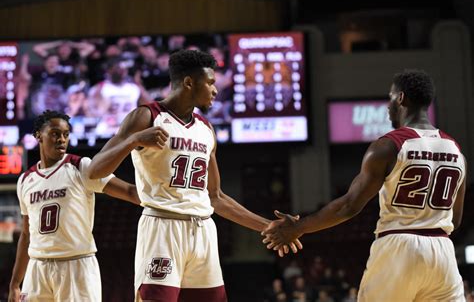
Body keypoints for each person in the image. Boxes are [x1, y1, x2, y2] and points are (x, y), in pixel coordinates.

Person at [87, 49, 302, 301]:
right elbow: (94, 171)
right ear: (189, 82)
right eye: (210, 82)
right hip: (162, 227)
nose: (215, 89)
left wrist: (267, 226)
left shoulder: (205, 129)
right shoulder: (147, 116)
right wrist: (134, 140)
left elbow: (217, 197)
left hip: (203, 232)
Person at [262, 69, 467, 301]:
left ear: (400, 98)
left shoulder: (388, 146)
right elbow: (455, 220)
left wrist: (299, 227)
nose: (388, 105)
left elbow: (349, 206)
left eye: (390, 97)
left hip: (398, 246)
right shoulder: (456, 150)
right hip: (443, 251)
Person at [8, 110, 140, 302]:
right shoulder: (25, 180)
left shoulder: (80, 167)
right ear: (38, 136)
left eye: (66, 134)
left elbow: (129, 191)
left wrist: (165, 197)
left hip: (76, 264)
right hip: (37, 268)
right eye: (55, 133)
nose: (62, 139)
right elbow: (26, 235)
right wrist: (14, 283)